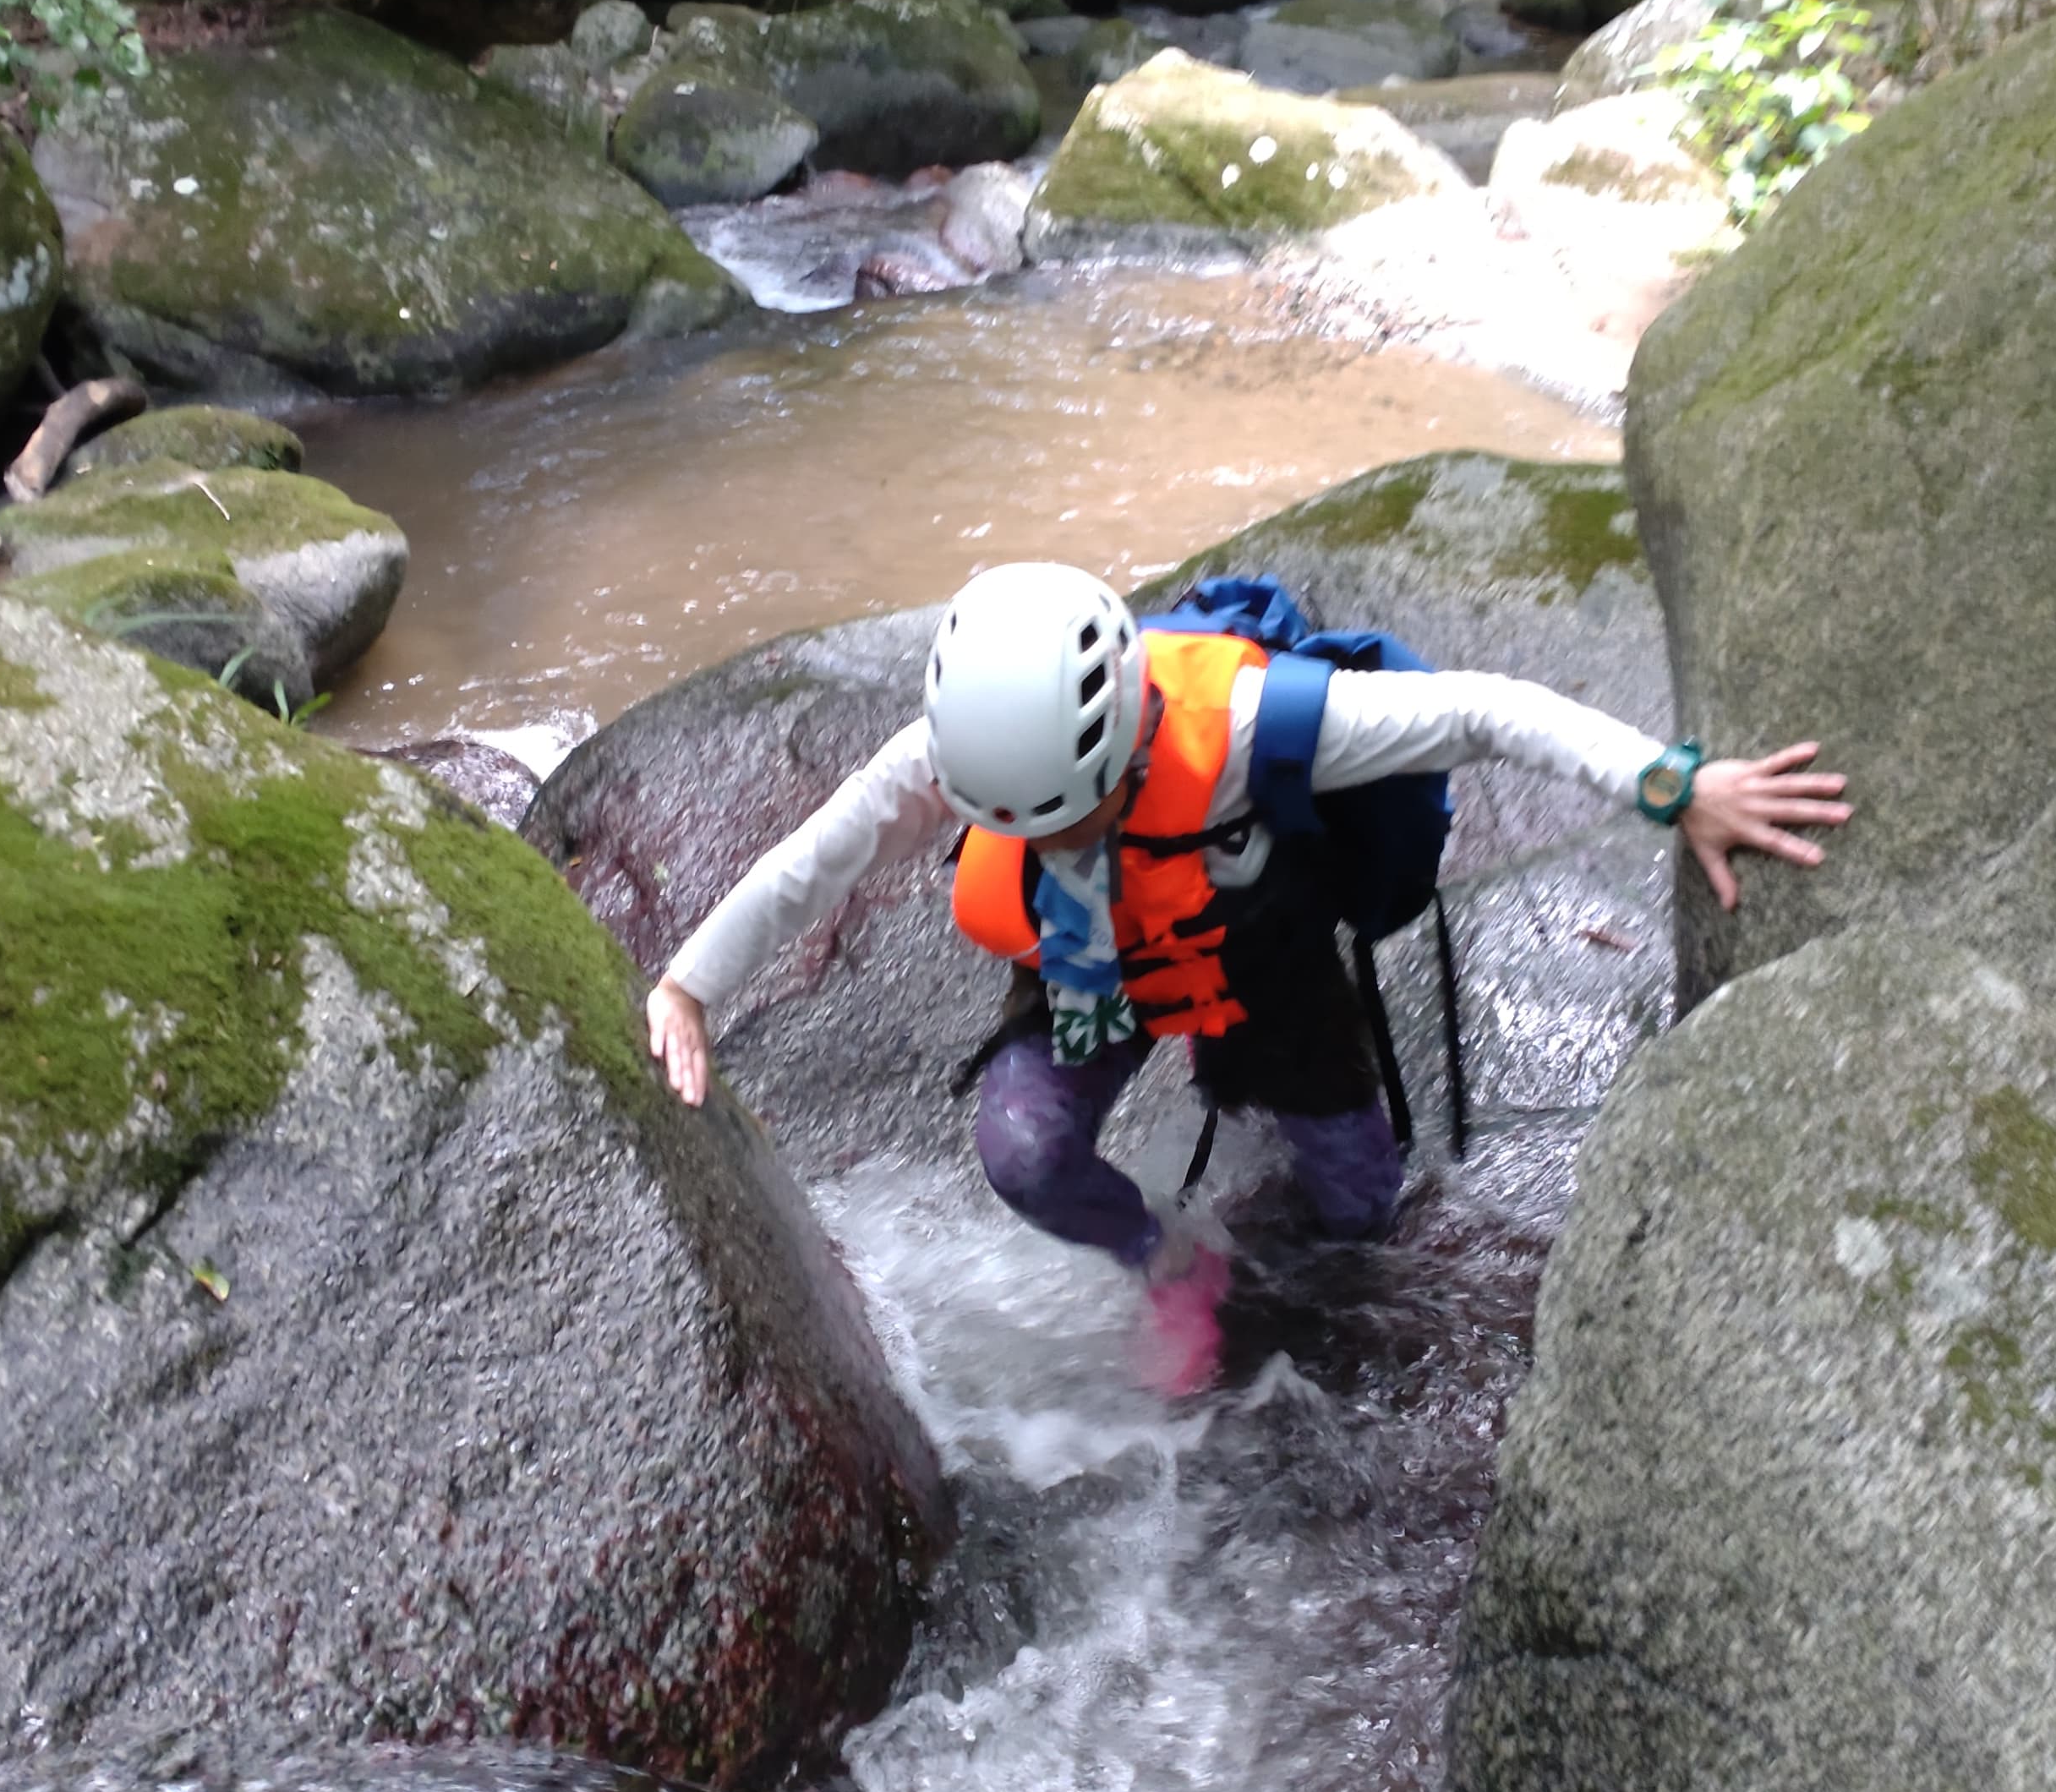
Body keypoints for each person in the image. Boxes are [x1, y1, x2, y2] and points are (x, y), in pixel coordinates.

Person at [646, 559, 1847, 1390]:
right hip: (1087, 967)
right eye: (1027, 826)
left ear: (1127, 741)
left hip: (1253, 950)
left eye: (1079, 815)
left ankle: (1324, 1288)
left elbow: (1483, 711)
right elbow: (816, 862)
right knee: (1022, 1150)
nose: (1059, 843)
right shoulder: (949, 755)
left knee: (1358, 1201)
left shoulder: (1263, 725)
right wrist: (689, 985)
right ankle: (1178, 1263)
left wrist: (1675, 785)